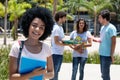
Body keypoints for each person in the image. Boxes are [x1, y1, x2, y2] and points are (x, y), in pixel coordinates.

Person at [9, 7, 54, 80]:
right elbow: (11, 77)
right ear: (28, 25)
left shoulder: (46, 48)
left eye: (41, 27)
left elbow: (51, 73)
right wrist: (32, 74)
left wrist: (42, 75)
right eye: (34, 25)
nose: (37, 29)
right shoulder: (17, 47)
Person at [94, 9, 116, 80]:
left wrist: (111, 55)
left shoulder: (111, 28)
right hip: (102, 54)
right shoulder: (102, 27)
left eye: (100, 17)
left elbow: (114, 42)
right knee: (103, 74)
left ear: (105, 18)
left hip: (107, 55)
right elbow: (101, 39)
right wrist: (94, 39)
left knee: (105, 75)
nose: (98, 19)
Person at [50, 11, 68, 80]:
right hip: (55, 53)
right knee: (53, 73)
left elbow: (61, 40)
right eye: (64, 18)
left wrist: (66, 42)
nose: (65, 19)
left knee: (56, 72)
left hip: (59, 53)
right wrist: (66, 44)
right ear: (60, 18)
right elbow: (56, 41)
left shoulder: (60, 27)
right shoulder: (56, 28)